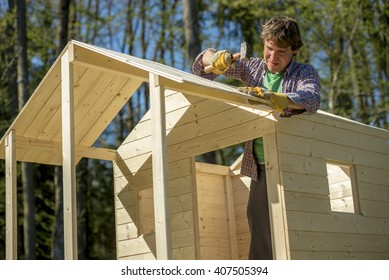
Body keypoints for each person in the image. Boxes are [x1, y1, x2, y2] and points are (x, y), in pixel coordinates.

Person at [192, 16, 321, 260]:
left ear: (295, 50)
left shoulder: (305, 72)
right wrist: (216, 59)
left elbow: (311, 98)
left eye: (281, 52)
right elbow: (201, 68)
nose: (272, 57)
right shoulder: (252, 68)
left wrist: (277, 99)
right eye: (269, 49)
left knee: (290, 231)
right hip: (260, 165)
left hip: (291, 163)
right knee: (258, 223)